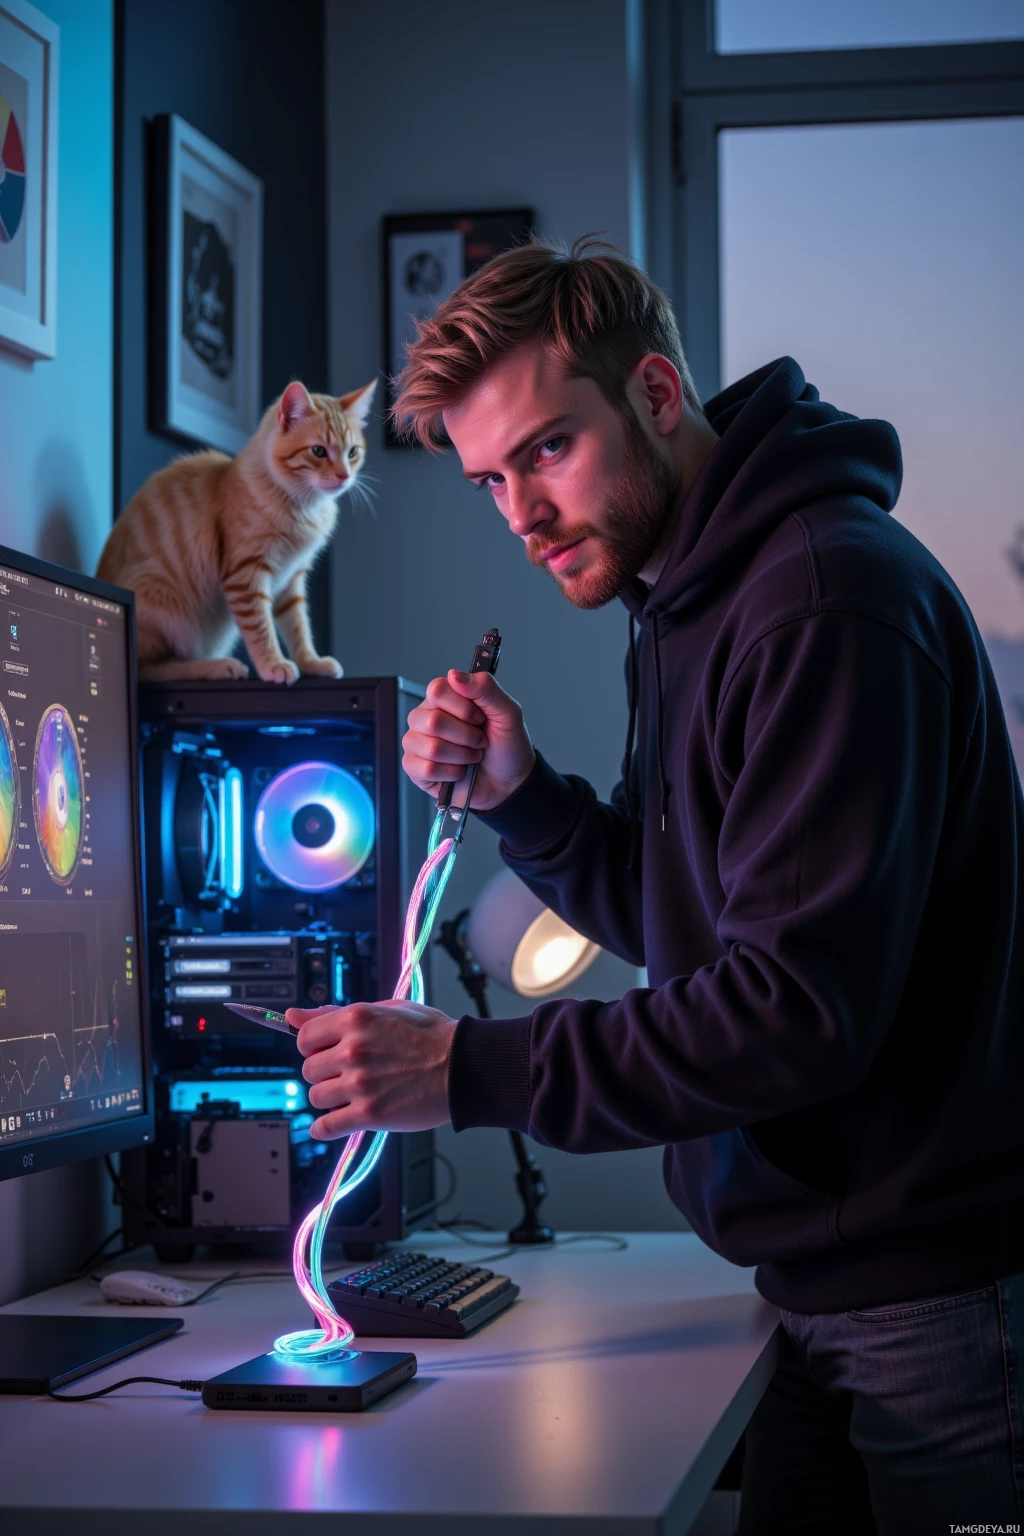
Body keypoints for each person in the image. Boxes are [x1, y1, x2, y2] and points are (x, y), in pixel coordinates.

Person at [288, 238, 1024, 1530]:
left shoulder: (819, 600)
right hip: (815, 1289)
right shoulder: (683, 597)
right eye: (487, 482)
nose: (521, 514)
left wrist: (463, 1071)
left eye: (548, 451)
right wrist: (529, 797)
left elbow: (791, 1012)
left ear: (658, 398)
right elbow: (688, 924)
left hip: (938, 1313)